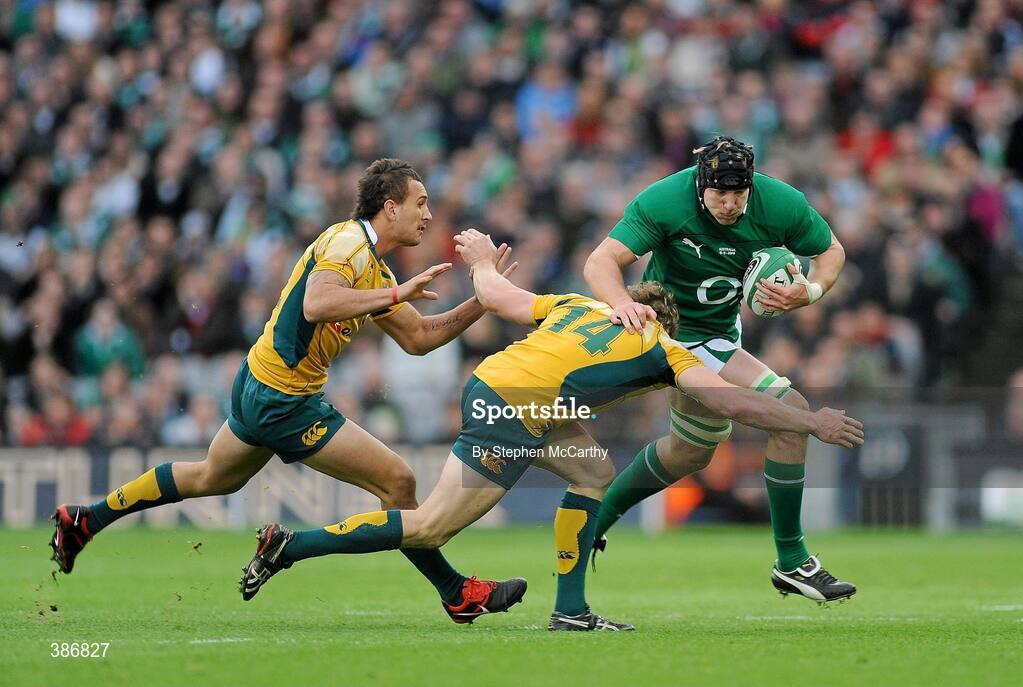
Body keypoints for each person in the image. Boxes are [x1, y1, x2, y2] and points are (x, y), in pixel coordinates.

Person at [237, 229, 864, 631]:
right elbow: (733, 400)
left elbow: (497, 295)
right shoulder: (671, 349)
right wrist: (811, 420)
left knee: (593, 472)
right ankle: (289, 548)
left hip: (511, 391)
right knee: (429, 524)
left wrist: (481, 259)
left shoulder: (586, 304)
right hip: (514, 407)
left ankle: (571, 610)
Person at [49, 159, 526, 624]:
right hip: (284, 398)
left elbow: (420, 338)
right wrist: (398, 295)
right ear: (390, 206)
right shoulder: (349, 243)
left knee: (210, 478)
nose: (428, 214)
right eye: (420, 203)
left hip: (260, 381)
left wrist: (482, 301)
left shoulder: (374, 269)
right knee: (397, 483)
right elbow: (318, 303)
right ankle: (452, 591)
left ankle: (85, 519)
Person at [583, 136, 856, 603]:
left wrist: (809, 291)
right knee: (792, 413)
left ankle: (593, 519)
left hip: (721, 338)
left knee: (691, 451)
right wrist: (623, 303)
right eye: (719, 195)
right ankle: (792, 561)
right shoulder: (666, 199)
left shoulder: (780, 203)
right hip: (672, 338)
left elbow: (831, 251)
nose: (730, 205)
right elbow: (601, 260)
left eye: (739, 195)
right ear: (699, 185)